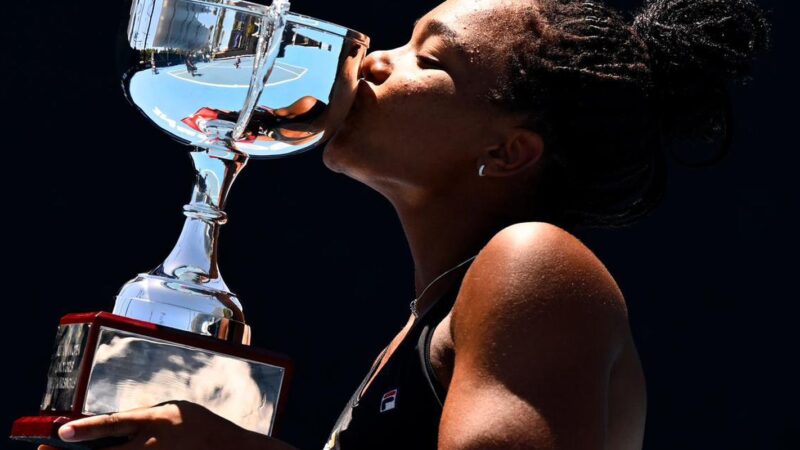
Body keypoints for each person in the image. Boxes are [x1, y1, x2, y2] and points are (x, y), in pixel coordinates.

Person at [40, 0, 767, 449]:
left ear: (507, 151)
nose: (374, 61)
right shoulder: (429, 321)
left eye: (430, 57)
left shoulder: (535, 262)